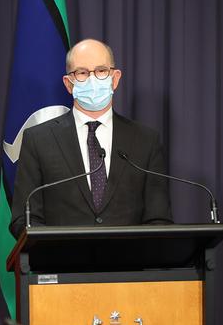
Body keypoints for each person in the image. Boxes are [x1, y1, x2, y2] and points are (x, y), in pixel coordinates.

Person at [10, 39, 172, 238]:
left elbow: (159, 219)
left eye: (101, 70)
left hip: (128, 266)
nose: (93, 79)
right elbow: (23, 220)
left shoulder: (146, 141)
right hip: (62, 265)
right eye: (82, 72)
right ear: (68, 84)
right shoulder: (38, 140)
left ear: (115, 78)